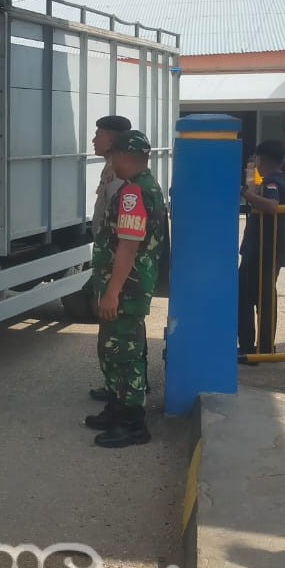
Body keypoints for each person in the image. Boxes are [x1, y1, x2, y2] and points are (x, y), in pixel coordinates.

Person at [84, 130, 167, 447]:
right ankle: (118, 408)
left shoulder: (134, 193)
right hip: (127, 285)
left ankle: (133, 423)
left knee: (125, 354)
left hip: (127, 287)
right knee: (114, 348)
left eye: (113, 154)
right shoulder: (145, 187)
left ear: (122, 155)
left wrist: (112, 291)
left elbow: (129, 247)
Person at [67, 115, 132, 326]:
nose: (94, 139)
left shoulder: (119, 173)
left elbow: (125, 231)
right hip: (109, 256)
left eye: (98, 134)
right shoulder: (110, 168)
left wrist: (114, 286)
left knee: (117, 328)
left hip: (115, 259)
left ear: (111, 140)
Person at [238, 139, 285, 360]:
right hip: (269, 248)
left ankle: (251, 349)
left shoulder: (271, 182)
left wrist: (244, 192)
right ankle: (265, 347)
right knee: (265, 296)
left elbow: (271, 206)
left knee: (247, 297)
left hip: (262, 248)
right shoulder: (283, 180)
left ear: (262, 159)